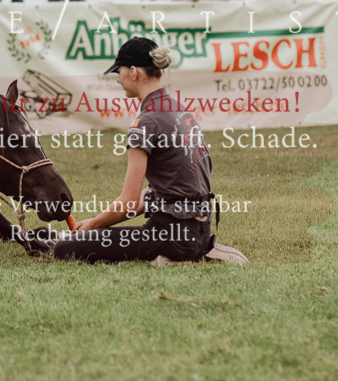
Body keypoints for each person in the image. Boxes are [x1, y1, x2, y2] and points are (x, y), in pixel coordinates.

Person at [53, 36, 216, 263]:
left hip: (169, 236)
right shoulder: (181, 111)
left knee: (64, 248)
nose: (118, 79)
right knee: (94, 237)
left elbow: (128, 202)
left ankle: (165, 257)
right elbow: (153, 194)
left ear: (133, 72)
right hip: (200, 233)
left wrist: (91, 225)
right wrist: (94, 224)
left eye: (118, 72)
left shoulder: (145, 122)